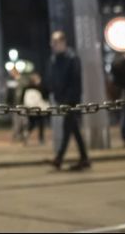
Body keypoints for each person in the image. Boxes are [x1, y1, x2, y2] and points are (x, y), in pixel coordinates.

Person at [46, 31, 90, 171]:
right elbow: (52, 78)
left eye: (56, 43)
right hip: (61, 98)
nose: (54, 46)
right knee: (74, 129)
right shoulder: (54, 59)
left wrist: (69, 98)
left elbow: (75, 80)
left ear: (63, 43)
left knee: (67, 128)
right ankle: (84, 158)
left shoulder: (72, 58)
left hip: (71, 99)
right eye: (52, 43)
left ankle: (59, 158)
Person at [22, 72, 49, 145]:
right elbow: (45, 97)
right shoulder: (40, 87)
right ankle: (41, 139)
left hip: (30, 109)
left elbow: (23, 98)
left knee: (32, 124)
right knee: (40, 124)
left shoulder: (26, 88)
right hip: (39, 109)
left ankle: (26, 134)